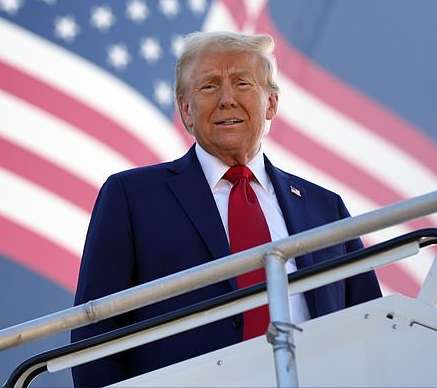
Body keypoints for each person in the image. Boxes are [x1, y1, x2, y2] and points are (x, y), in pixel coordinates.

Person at [71, 31, 382, 387]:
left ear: (271, 104)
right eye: (208, 86)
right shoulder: (131, 196)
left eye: (242, 82)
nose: (226, 99)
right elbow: (94, 333)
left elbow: (368, 322)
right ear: (186, 109)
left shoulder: (325, 207)